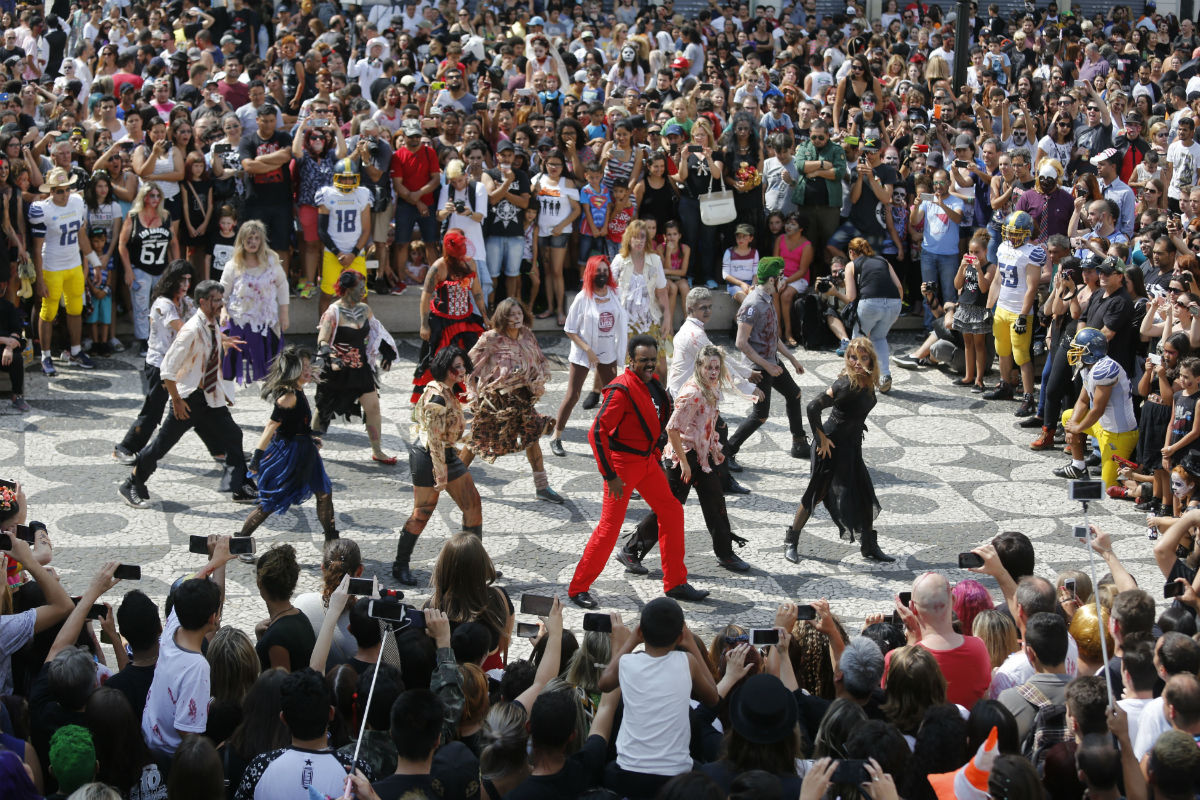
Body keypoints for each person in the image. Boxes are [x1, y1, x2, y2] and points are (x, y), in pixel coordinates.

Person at [567, 335, 709, 609]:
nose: (648, 364)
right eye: (643, 360)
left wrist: (656, 451)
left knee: (671, 510)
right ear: (631, 360)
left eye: (652, 360)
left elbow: (657, 422)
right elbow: (597, 433)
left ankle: (676, 582)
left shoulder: (653, 383)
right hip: (622, 468)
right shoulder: (620, 390)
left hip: (645, 464)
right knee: (609, 529)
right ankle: (578, 587)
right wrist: (610, 476)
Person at [619, 344, 761, 574]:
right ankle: (630, 551)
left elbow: (706, 423)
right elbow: (672, 429)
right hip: (681, 459)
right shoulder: (692, 392)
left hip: (703, 458)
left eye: (716, 367)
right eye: (709, 367)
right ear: (699, 367)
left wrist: (714, 446)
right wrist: (685, 463)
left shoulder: (711, 388)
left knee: (716, 502)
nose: (713, 372)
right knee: (668, 509)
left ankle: (726, 554)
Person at [118, 280, 257, 508]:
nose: (220, 304)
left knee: (233, 435)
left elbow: (207, 350)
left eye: (221, 299)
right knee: (161, 446)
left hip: (209, 397)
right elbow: (167, 370)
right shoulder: (190, 330)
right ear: (202, 302)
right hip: (189, 399)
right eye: (215, 300)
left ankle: (239, 487)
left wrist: (223, 342)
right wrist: (177, 401)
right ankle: (131, 483)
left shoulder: (211, 325)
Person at [786, 337, 893, 564]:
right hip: (830, 447)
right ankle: (791, 540)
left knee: (864, 493)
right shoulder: (845, 384)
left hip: (851, 446)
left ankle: (869, 546)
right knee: (816, 493)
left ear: (871, 359)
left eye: (863, 357)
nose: (857, 362)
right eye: (853, 357)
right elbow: (813, 406)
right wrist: (821, 439)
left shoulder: (868, 380)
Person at [392, 346, 482, 586]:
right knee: (423, 512)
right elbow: (433, 439)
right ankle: (400, 565)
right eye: (458, 367)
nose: (462, 371)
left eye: (464, 366)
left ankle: (473, 566)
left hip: (447, 454)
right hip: (429, 457)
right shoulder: (437, 396)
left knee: (473, 504)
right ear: (445, 368)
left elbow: (447, 433)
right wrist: (440, 474)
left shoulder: (449, 391)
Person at [465, 298, 562, 503]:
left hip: (522, 399)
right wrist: (472, 393)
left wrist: (540, 380)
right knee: (477, 440)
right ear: (502, 317)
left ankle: (542, 487)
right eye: (511, 315)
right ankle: (450, 479)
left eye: (519, 314)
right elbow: (467, 365)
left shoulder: (527, 335)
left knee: (532, 436)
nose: (516, 318)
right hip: (496, 402)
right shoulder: (491, 339)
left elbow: (540, 360)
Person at [237, 346, 337, 545]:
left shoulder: (298, 390)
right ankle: (240, 541)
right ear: (293, 370)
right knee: (270, 501)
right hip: (289, 455)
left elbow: (295, 423)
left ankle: (332, 539)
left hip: (304, 450)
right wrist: (257, 458)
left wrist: (309, 437)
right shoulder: (288, 397)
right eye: (303, 367)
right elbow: (271, 427)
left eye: (309, 365)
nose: (308, 370)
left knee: (324, 493)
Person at [725, 257, 811, 466]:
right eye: (781, 276)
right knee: (760, 416)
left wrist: (790, 358)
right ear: (772, 280)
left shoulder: (768, 298)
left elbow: (771, 337)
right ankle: (727, 452)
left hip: (771, 362)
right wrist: (766, 366)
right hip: (758, 367)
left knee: (794, 394)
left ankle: (799, 442)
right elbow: (741, 342)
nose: (784, 280)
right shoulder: (753, 304)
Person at [313, 270, 398, 464]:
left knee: (373, 407)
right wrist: (332, 357)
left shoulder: (365, 309)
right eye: (360, 287)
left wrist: (387, 352)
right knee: (323, 409)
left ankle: (377, 450)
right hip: (337, 370)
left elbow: (376, 332)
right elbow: (322, 340)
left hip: (361, 368)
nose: (363, 291)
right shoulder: (333, 312)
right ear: (348, 289)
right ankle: (311, 445)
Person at [549, 256, 627, 457]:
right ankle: (556, 436)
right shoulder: (583, 297)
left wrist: (623, 349)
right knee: (573, 395)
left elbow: (621, 322)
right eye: (598, 270)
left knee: (613, 396)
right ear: (591, 273)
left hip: (607, 351)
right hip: (583, 353)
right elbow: (569, 329)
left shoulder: (614, 294)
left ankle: (611, 436)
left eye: (605, 270)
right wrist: (588, 349)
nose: (602, 274)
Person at [29, 167, 100, 375]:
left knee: (75, 309)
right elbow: (36, 247)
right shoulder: (42, 209)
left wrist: (95, 262)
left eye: (67, 189)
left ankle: (76, 350)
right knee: (48, 312)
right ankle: (45, 355)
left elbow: (82, 235)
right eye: (59, 191)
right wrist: (40, 278)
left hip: (74, 265)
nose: (65, 194)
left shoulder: (78, 202)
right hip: (52, 266)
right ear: (50, 191)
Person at [1055, 326, 1139, 486]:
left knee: (1109, 487)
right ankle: (1078, 466)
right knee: (1068, 416)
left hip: (1119, 434)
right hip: (1103, 426)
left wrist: (1076, 428)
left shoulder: (1106, 369)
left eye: (1079, 349)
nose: (1075, 352)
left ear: (1091, 351)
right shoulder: (1089, 367)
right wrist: (1072, 426)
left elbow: (1098, 409)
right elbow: (1082, 401)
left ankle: (1143, 482)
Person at [411, 229, 488, 403]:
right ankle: (434, 398)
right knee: (439, 360)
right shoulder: (438, 266)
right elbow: (425, 296)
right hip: (442, 321)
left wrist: (485, 316)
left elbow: (477, 292)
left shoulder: (470, 264)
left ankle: (471, 395)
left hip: (465, 320)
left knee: (472, 358)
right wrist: (424, 324)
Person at [985, 210, 1045, 418]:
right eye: (1009, 232)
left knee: (1021, 355)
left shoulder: (1032, 252)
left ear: (1027, 233)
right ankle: (1005, 385)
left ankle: (1028, 396)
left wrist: (1023, 314)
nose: (1011, 236)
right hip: (1002, 307)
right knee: (1001, 349)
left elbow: (1031, 287)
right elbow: (997, 280)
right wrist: (988, 306)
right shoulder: (1002, 247)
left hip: (1020, 311)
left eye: (1016, 232)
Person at [220, 219, 289, 385]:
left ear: (262, 240)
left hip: (266, 321)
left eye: (256, 238)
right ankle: (224, 394)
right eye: (248, 239)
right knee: (228, 362)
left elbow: (282, 285)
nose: (252, 242)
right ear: (241, 240)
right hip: (239, 319)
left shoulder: (271, 261)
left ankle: (273, 393)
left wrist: (284, 313)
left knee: (272, 363)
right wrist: (223, 311)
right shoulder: (233, 265)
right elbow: (222, 292)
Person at [117, 182, 176, 360]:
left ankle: (160, 339)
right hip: (140, 268)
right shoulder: (133, 216)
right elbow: (122, 243)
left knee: (162, 306)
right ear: (144, 197)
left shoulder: (165, 216)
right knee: (141, 307)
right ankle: (144, 340)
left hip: (161, 268)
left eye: (158, 196)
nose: (155, 200)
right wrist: (128, 269)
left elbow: (173, 243)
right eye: (152, 196)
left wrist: (175, 267)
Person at [845, 237, 903, 393]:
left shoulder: (851, 265)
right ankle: (885, 375)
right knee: (879, 338)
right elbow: (898, 286)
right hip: (894, 303)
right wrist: (896, 312)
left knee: (858, 339)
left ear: (851, 252)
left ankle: (856, 378)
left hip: (869, 304)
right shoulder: (883, 261)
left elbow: (850, 296)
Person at [315, 158, 372, 316]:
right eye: (344, 177)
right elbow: (322, 230)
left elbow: (366, 229)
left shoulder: (363, 194)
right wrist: (339, 253)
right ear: (336, 177)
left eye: (350, 177)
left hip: (356, 253)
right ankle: (323, 333)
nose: (347, 181)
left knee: (362, 295)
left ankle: (366, 331)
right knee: (327, 294)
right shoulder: (327, 194)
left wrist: (353, 253)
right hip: (333, 253)